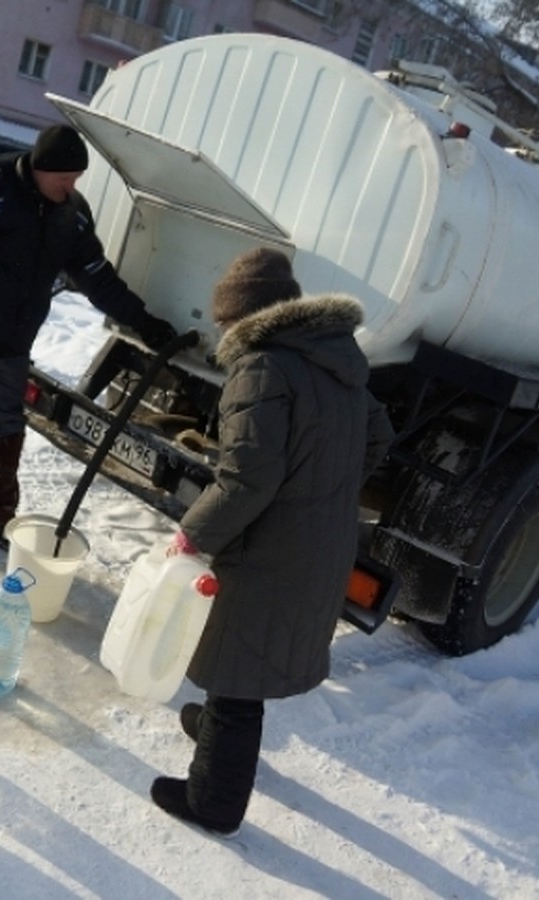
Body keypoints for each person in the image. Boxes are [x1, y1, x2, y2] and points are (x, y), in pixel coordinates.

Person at [150, 248, 394, 836]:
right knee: (241, 653)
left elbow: (247, 478)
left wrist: (192, 535)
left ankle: (214, 803)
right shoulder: (335, 361)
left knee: (240, 670)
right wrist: (322, 489)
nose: (220, 330)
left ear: (245, 316)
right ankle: (213, 731)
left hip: (273, 545)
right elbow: (379, 440)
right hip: (317, 541)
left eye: (224, 320)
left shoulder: (260, 367)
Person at [0, 124, 177, 550]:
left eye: (76, 178)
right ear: (41, 167)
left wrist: (143, 322)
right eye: (65, 176)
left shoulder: (71, 214)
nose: (71, 185)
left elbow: (96, 275)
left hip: (14, 346)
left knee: (4, 426)